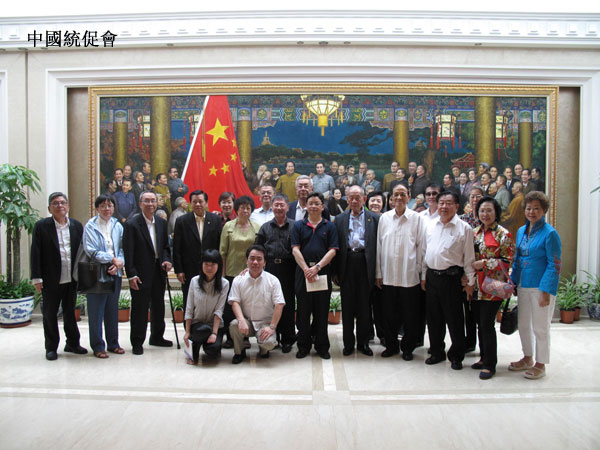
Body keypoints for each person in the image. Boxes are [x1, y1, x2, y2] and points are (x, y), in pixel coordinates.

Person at [421, 191, 476, 370]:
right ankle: (437, 352)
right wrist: (423, 275)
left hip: (451, 278)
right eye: (441, 203)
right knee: (433, 318)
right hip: (432, 276)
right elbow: (424, 252)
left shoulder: (464, 228)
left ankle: (456, 355)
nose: (444, 206)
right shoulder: (430, 225)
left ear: (457, 206)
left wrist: (470, 282)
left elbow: (469, 258)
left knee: (454, 318)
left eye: (448, 203)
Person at [509, 191, 561, 379]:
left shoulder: (550, 234)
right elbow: (517, 258)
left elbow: (554, 265)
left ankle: (541, 364)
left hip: (541, 287)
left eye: (536, 208)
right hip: (523, 285)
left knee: (540, 327)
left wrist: (546, 291)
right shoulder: (521, 231)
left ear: (544, 210)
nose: (532, 212)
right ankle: (527, 357)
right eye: (529, 208)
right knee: (523, 325)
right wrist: (512, 281)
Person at [30, 192, 87, 361]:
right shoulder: (41, 226)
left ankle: (73, 344)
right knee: (50, 314)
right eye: (55, 203)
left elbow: (82, 252)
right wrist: (36, 278)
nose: (60, 206)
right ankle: (51, 347)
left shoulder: (76, 226)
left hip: (71, 278)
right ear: (49, 208)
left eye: (63, 203)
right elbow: (36, 253)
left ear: (68, 206)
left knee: (70, 312)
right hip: (50, 279)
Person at [375, 184, 424, 360]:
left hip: (409, 276)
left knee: (410, 315)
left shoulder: (417, 219)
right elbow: (379, 246)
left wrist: (420, 272)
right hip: (388, 275)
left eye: (402, 194)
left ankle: (408, 348)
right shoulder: (385, 218)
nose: (399, 198)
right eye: (395, 194)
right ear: (391, 198)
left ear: (409, 196)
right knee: (389, 314)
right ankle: (391, 346)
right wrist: (378, 272)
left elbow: (421, 247)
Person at [470, 197, 515, 379]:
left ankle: (490, 364)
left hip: (492, 287)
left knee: (487, 324)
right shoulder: (474, 232)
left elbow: (507, 261)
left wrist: (485, 263)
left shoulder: (503, 234)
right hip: (475, 286)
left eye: (489, 210)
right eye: (482, 211)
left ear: (496, 212)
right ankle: (483, 357)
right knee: (479, 323)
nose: (485, 214)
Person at [123, 191, 173, 355]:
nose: (150, 204)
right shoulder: (132, 224)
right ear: (140, 204)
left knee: (158, 305)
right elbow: (128, 251)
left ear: (157, 203)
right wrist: (131, 274)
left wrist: (167, 260)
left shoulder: (161, 222)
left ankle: (157, 337)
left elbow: (165, 247)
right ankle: (137, 342)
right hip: (140, 273)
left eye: (153, 201)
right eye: (147, 201)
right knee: (140, 308)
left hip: (159, 270)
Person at [292, 192, 339, 359]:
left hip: (322, 273)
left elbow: (333, 250)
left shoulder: (329, 226)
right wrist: (306, 269)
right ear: (306, 206)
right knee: (303, 312)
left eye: (316, 203)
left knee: (321, 312)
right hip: (303, 273)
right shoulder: (298, 225)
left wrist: (317, 268)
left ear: (322, 206)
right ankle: (303, 346)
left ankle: (322, 346)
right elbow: (295, 249)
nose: (313, 206)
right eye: (310, 203)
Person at [333, 185, 379, 356]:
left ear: (364, 199)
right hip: (347, 263)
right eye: (351, 197)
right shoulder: (339, 219)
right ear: (347, 199)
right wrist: (335, 272)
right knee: (347, 306)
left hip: (365, 263)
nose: (354, 201)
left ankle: (363, 343)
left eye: (357, 197)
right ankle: (348, 343)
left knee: (364, 306)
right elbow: (336, 247)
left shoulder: (375, 218)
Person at [81, 194, 126, 359]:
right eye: (103, 206)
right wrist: (111, 259)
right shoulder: (90, 226)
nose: (107, 209)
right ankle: (98, 346)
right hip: (96, 272)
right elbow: (91, 250)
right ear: (97, 208)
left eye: (110, 206)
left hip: (115, 271)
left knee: (112, 310)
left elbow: (122, 248)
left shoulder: (117, 225)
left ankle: (113, 343)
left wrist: (119, 262)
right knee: (96, 312)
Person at [228, 245, 285, 363]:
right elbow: (235, 302)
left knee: (269, 343)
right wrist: (241, 320)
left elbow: (279, 304)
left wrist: (272, 327)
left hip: (265, 324)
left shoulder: (273, 280)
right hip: (247, 322)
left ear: (264, 262)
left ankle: (264, 349)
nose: (255, 262)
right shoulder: (238, 280)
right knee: (234, 325)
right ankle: (239, 352)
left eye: (259, 259)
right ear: (246, 261)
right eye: (252, 258)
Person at [255, 194, 296, 353]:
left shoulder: (295, 226)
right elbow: (257, 249)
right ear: (272, 207)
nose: (278, 208)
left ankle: (288, 339)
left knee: (287, 303)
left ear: (287, 207)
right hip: (270, 268)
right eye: (276, 205)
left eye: (281, 205)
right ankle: (273, 336)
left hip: (289, 268)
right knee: (271, 303)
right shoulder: (265, 227)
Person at [219, 195, 261, 345]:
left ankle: (245, 337)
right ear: (236, 209)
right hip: (231, 272)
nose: (245, 210)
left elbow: (260, 251)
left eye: (248, 208)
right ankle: (231, 337)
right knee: (230, 306)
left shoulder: (257, 227)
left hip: (251, 274)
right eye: (242, 207)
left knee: (247, 305)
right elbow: (223, 252)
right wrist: (223, 275)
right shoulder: (228, 226)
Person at [173, 190, 221, 311]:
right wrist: (179, 270)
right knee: (189, 299)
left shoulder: (215, 220)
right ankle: (188, 323)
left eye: (200, 201)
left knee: (210, 298)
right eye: (194, 202)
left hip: (210, 268)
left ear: (206, 203)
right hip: (188, 268)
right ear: (190, 203)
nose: (198, 204)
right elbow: (177, 247)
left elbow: (219, 245)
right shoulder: (182, 221)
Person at [183, 249, 228, 364]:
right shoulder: (194, 281)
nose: (209, 267)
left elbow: (219, 310)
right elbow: (189, 308)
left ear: (219, 265)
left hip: (214, 325)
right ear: (201, 264)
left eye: (213, 264)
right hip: (197, 324)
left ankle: (208, 342)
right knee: (203, 330)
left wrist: (214, 333)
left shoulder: (224, 284)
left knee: (213, 351)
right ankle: (194, 350)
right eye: (206, 264)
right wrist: (187, 332)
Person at [460, 186, 484, 352]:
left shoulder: (487, 220)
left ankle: (485, 347)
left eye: (478, 196)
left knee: (480, 312)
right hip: (465, 270)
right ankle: (468, 342)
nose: (475, 199)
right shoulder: (463, 220)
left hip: (483, 272)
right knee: (466, 308)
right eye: (472, 197)